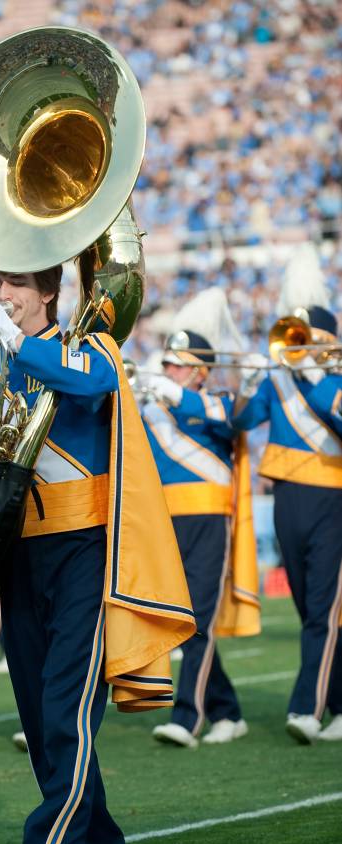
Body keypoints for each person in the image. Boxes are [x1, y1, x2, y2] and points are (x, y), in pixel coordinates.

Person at [0, 266, 194, 844]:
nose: (2, 295)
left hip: (84, 549)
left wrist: (20, 346)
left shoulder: (86, 348)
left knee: (65, 712)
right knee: (44, 723)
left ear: (49, 292)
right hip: (17, 552)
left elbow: (90, 385)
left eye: (15, 285)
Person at [135, 289, 260, 748]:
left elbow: (233, 419)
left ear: (201, 373)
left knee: (199, 620)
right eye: (167, 365)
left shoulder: (218, 401)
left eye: (178, 366)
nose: (168, 372)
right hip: (164, 523)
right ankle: (228, 710)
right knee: (181, 621)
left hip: (208, 520)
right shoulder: (153, 410)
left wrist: (170, 394)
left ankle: (188, 717)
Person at [232, 247, 342, 744]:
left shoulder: (332, 378)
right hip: (286, 500)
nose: (301, 347)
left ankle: (306, 708)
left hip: (332, 498)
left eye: (311, 340)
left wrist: (313, 376)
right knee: (310, 608)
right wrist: (253, 380)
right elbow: (241, 422)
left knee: (321, 609)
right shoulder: (280, 380)